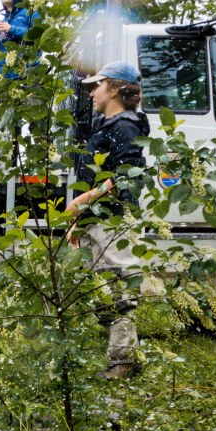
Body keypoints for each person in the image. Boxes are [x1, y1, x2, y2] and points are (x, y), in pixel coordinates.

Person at [67, 61, 151, 380]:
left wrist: (81, 201)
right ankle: (119, 354)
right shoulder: (107, 126)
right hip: (100, 220)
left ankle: (125, 361)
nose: (91, 93)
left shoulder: (124, 126)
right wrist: (81, 221)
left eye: (96, 86)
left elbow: (126, 176)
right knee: (102, 289)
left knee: (116, 289)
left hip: (115, 221)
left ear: (114, 89)